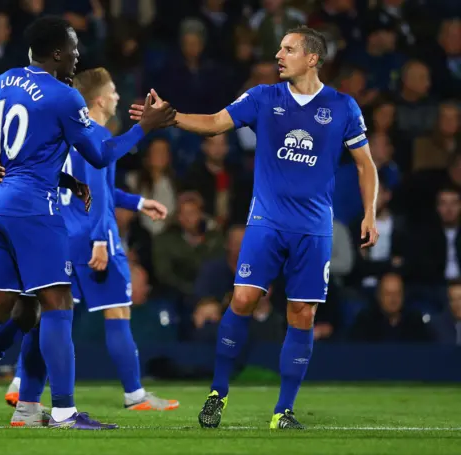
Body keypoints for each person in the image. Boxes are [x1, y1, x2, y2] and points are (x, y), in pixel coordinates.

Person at [0, 16, 176, 430]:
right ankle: (65, 412)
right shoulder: (64, 96)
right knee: (57, 305)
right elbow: (101, 155)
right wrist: (145, 127)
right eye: (73, 49)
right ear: (57, 53)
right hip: (37, 212)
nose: (77, 57)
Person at [131, 26, 379, 430]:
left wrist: (368, 213)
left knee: (301, 313)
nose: (278, 55)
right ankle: (218, 393)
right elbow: (213, 123)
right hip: (267, 221)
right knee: (243, 298)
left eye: (289, 49)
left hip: (314, 229)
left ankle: (283, 411)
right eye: (278, 47)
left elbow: (366, 164)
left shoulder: (343, 106)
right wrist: (171, 118)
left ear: (313, 58)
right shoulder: (264, 97)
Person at [0, 68, 179, 418]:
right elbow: (97, 194)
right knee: (117, 311)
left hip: (57, 234)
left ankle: (22, 386)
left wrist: (138, 203)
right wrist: (100, 240)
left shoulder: (61, 133)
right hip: (93, 235)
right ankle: (134, 393)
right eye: (113, 91)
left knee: (48, 313)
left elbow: (94, 187)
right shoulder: (96, 133)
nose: (118, 97)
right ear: (99, 99)